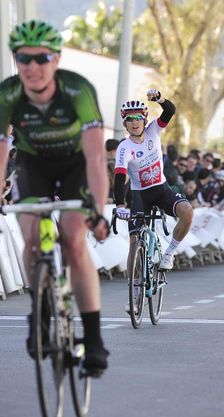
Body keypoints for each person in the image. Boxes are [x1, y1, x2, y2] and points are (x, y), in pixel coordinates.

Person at [0, 20, 109, 373]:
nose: (32, 67)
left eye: (41, 58)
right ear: (15, 60)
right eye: (23, 59)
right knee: (32, 238)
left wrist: (98, 208)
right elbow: (0, 152)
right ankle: (40, 312)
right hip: (34, 166)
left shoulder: (77, 90)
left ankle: (94, 339)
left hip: (77, 165)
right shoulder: (7, 94)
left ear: (56, 60)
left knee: (74, 241)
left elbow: (96, 158)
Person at [113, 90, 193, 274]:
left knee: (187, 212)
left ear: (144, 120)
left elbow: (170, 110)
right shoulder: (124, 147)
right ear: (125, 124)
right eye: (130, 119)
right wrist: (119, 206)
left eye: (138, 118)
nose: (134, 123)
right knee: (134, 242)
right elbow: (119, 177)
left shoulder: (153, 130)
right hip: (140, 195)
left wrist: (159, 99)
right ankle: (134, 288)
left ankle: (169, 253)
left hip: (161, 189)